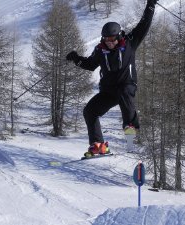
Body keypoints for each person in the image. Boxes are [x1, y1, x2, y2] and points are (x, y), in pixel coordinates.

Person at [66, 0, 157, 157]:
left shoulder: (130, 42)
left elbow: (144, 24)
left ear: (119, 36)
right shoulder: (100, 50)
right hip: (108, 90)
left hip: (126, 86)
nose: (109, 43)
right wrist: (76, 58)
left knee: (124, 94)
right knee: (90, 111)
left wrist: (150, 5)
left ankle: (130, 137)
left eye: (112, 39)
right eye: (106, 39)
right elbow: (90, 64)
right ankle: (99, 145)